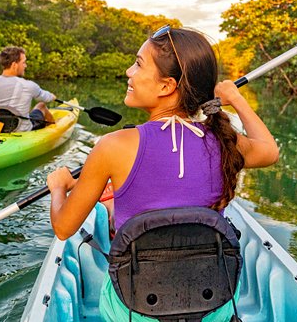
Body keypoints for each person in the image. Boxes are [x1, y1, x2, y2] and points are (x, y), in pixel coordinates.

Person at [46, 26, 280, 321]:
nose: (129, 72)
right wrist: (234, 98)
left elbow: (64, 228)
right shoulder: (224, 141)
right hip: (211, 308)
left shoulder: (113, 146)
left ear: (166, 86)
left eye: (139, 64)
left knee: (110, 210)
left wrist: (58, 186)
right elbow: (269, 150)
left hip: (134, 311)